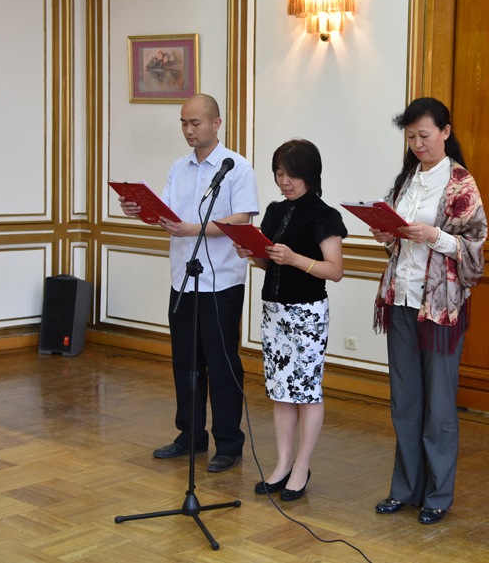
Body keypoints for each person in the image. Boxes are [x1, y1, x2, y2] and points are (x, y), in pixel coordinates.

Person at [119, 93, 259, 473]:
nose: (188, 130)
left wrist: (190, 228)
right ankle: (191, 435)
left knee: (222, 363)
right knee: (186, 363)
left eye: (195, 123)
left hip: (221, 283)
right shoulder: (178, 168)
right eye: (183, 123)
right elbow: (166, 216)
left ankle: (228, 443)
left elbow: (242, 220)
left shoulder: (237, 167)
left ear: (216, 123)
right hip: (183, 279)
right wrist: (138, 211)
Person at [369, 97, 487, 524]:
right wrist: (387, 233)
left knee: (438, 405)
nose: (418, 144)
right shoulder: (407, 180)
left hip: (438, 309)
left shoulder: (460, 184)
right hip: (400, 300)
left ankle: (437, 495)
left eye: (425, 135)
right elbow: (399, 239)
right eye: (411, 137)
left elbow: (474, 251)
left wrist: (434, 234)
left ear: (445, 132)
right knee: (405, 401)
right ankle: (404, 489)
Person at [233, 139, 347, 501]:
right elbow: (269, 262)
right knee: (281, 391)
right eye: (279, 174)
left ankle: (302, 465)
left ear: (310, 175)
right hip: (275, 310)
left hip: (307, 313)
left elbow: (335, 270)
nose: (284, 181)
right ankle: (282, 464)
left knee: (306, 391)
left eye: (292, 175)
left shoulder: (325, 215)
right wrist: (251, 252)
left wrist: (295, 258)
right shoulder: (274, 211)